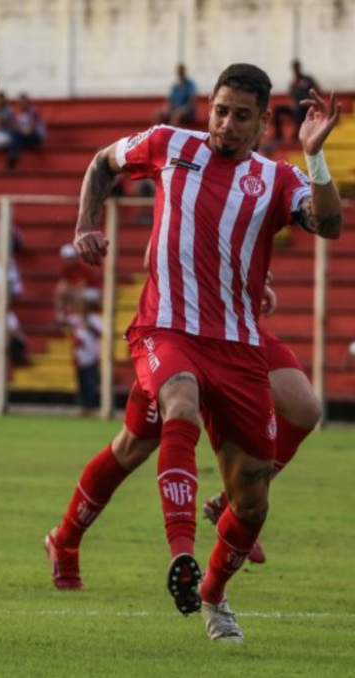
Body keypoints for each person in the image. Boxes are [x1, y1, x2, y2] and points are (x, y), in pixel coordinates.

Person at [72, 63, 342, 642]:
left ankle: (214, 594)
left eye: (241, 116)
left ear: (263, 122)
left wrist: (315, 156)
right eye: (220, 110)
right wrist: (84, 223)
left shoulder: (276, 178)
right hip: (166, 328)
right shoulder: (172, 144)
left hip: (240, 344)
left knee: (252, 504)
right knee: (179, 403)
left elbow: (330, 224)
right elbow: (102, 163)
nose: (226, 124)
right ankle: (181, 556)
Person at [44, 281, 320, 587]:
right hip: (179, 326)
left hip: (236, 327)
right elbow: (160, 249)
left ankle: (230, 502)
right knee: (135, 445)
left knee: (304, 408)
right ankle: (65, 541)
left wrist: (255, 275)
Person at [66, 289, 102, 414]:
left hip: (91, 355)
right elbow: (63, 322)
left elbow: (99, 333)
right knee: (81, 382)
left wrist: (87, 323)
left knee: (90, 383)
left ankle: (91, 406)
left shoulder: (95, 319)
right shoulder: (76, 319)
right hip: (79, 356)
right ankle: (83, 406)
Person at [54, 243, 101, 325]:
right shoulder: (65, 270)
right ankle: (61, 316)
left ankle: (82, 320)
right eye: (67, 259)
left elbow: (82, 285)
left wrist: (68, 290)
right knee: (60, 292)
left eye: (71, 258)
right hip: (79, 291)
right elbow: (63, 285)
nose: (69, 261)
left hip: (92, 292)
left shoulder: (83, 269)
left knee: (77, 295)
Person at [273, 60, 319, 142]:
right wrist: (293, 104)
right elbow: (292, 97)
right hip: (296, 107)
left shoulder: (307, 79)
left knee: (300, 109)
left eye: (296, 67)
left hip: (306, 106)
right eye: (293, 67)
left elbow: (317, 89)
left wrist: (311, 100)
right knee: (277, 110)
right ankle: (278, 135)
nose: (295, 69)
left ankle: (297, 134)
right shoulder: (293, 83)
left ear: (299, 67)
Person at [8, 92, 46, 169]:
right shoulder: (19, 114)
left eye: (23, 103)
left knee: (15, 135)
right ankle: (13, 155)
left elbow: (31, 130)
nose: (21, 105)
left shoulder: (33, 112)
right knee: (14, 135)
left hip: (36, 137)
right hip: (23, 136)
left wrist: (20, 130)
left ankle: (13, 156)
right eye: (20, 103)